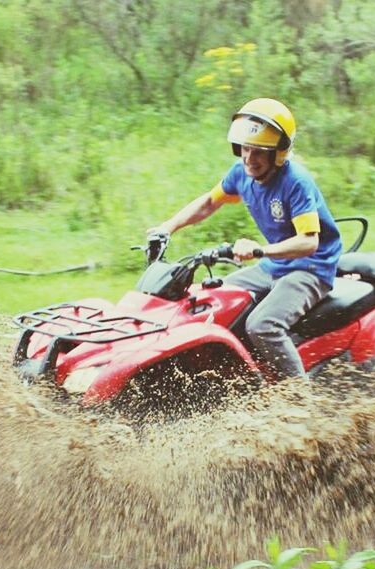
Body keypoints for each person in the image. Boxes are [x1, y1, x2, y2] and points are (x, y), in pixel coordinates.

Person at [147, 98, 342, 379]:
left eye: (259, 152)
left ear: (279, 152)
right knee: (209, 299)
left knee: (263, 325)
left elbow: (309, 242)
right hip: (275, 266)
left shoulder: (295, 181)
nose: (249, 158)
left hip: (311, 268)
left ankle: (300, 396)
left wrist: (260, 251)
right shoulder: (242, 173)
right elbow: (208, 203)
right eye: (245, 149)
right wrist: (168, 227)